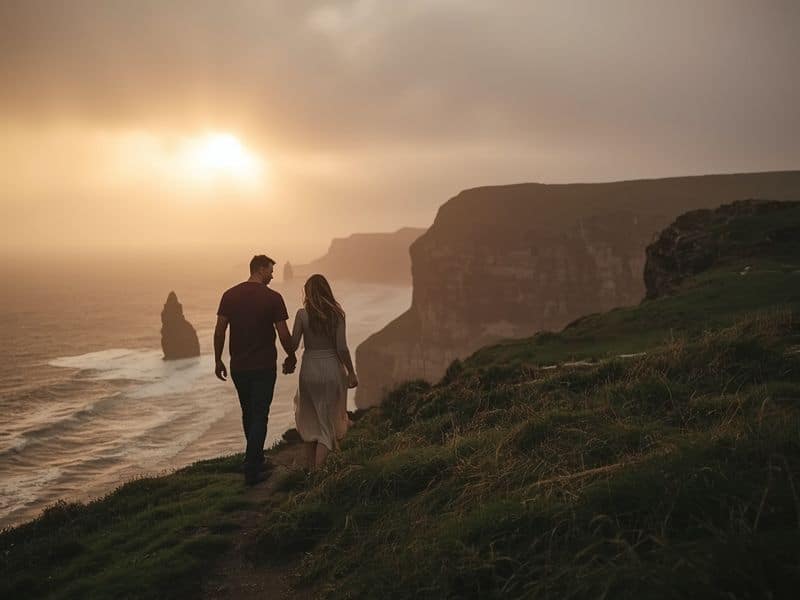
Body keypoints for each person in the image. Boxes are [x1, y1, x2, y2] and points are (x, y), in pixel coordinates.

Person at [214, 255, 297, 485]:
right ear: (260, 269)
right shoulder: (273, 298)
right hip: (263, 366)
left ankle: (256, 458)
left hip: (238, 366)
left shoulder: (229, 295)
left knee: (247, 412)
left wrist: (218, 360)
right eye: (271, 270)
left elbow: (220, 331)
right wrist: (291, 354)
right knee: (260, 414)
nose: (272, 275)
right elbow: (283, 334)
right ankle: (252, 468)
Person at [288, 274, 357, 470]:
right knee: (327, 425)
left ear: (308, 293)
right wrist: (351, 372)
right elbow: (342, 348)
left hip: (309, 369)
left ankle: (312, 471)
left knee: (310, 423)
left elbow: (292, 345)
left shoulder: (302, 314)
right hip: (331, 368)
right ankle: (317, 475)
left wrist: (279, 329)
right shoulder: (337, 314)